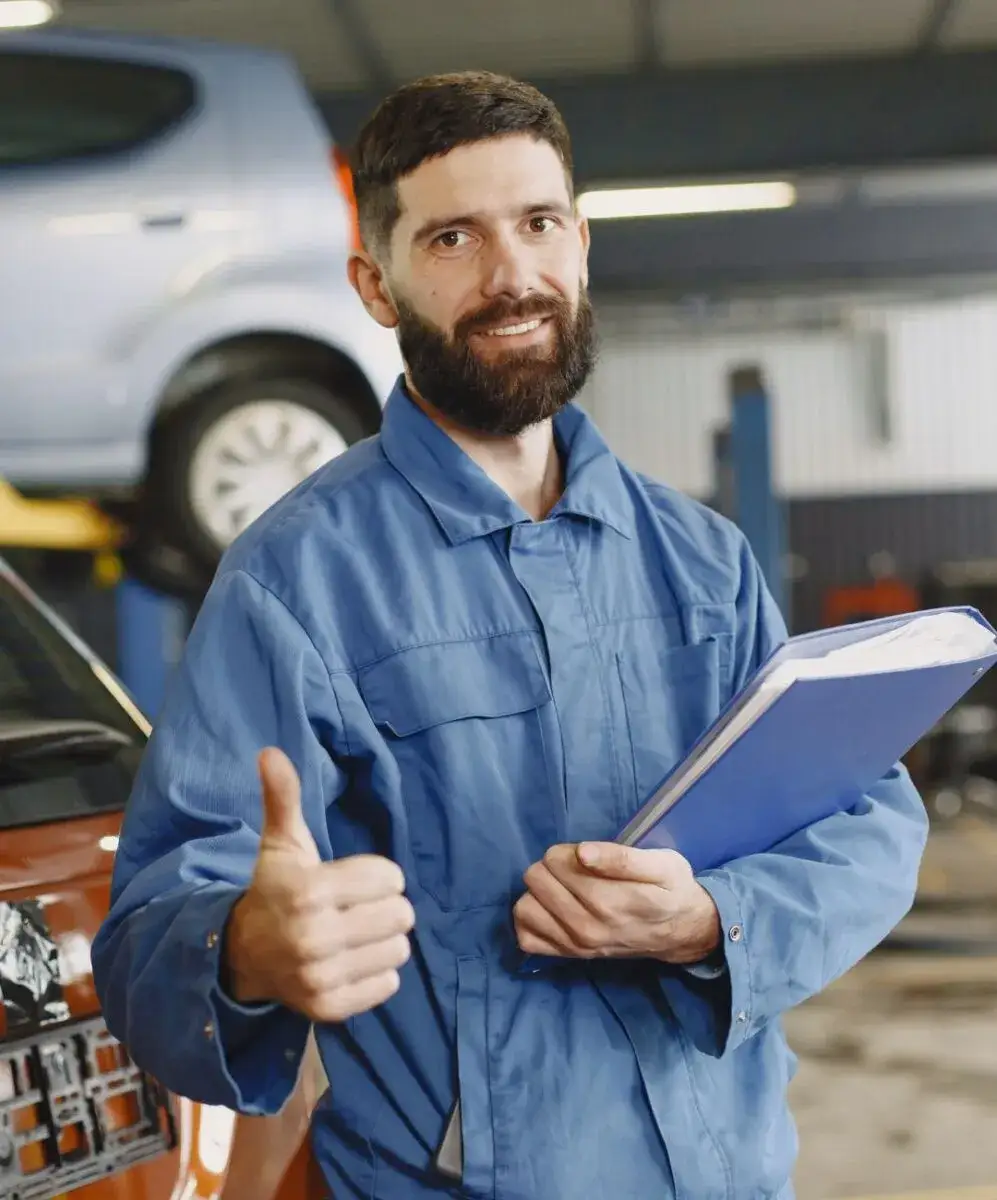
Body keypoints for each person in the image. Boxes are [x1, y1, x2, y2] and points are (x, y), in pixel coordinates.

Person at [91, 70, 930, 1199]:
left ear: (579, 244)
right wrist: (244, 948)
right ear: (375, 286)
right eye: (452, 239)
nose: (510, 277)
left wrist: (712, 919)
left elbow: (865, 820)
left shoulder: (702, 560)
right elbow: (148, 938)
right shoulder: (295, 583)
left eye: (537, 224)